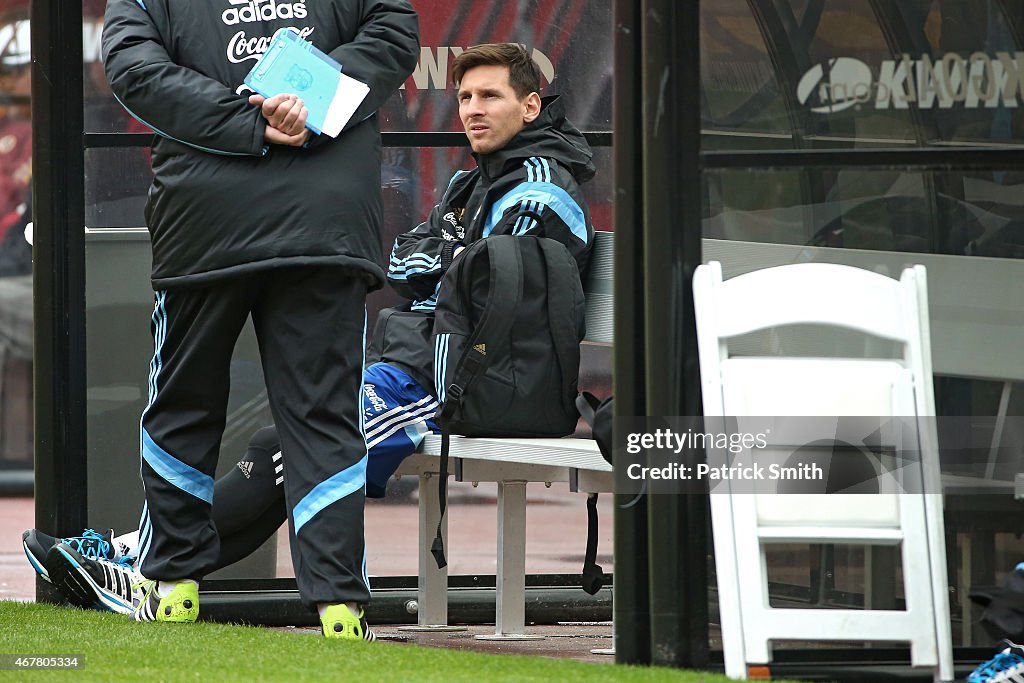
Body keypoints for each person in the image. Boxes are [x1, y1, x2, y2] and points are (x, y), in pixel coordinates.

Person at [34, 41, 596, 635]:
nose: (472, 109)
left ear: (532, 106)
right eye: (464, 97)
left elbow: (484, 292)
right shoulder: (470, 183)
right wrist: (446, 257)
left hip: (457, 385)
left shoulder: (539, 185)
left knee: (291, 449)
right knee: (280, 445)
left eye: (491, 96)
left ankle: (136, 564)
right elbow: (405, 263)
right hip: (414, 365)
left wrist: (444, 257)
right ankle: (139, 560)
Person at [52, 0, 420, 638]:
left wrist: (248, 119)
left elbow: (136, 70)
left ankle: (172, 587)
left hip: (205, 223)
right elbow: (392, 33)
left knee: (183, 401)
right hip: (322, 225)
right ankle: (339, 607)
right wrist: (297, 107)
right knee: (323, 414)